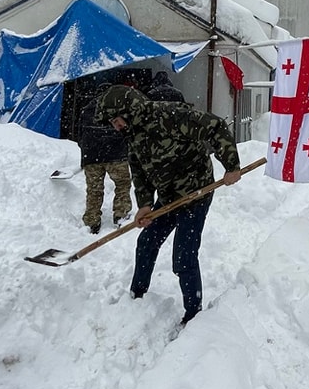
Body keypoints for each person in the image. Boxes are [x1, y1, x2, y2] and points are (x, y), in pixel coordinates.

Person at [96, 85, 241, 326]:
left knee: (183, 256)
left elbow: (214, 127)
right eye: (113, 122)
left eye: (117, 119)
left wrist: (231, 165)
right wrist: (144, 205)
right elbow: (140, 172)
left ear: (129, 111)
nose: (116, 126)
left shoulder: (168, 116)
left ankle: (194, 315)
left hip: (196, 193)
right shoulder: (133, 134)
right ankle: (136, 297)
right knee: (146, 242)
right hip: (169, 197)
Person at [78, 95, 132, 234]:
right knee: (122, 184)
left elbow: (80, 133)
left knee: (94, 189)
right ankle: (121, 214)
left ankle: (91, 220)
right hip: (116, 154)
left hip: (92, 156)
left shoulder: (86, 109)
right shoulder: (116, 109)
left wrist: (87, 151)